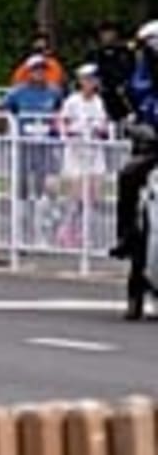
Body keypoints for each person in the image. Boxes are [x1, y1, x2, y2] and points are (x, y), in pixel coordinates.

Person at [114, 20, 158, 318]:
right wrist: (135, 127)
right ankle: (126, 235)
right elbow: (131, 102)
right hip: (153, 149)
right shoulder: (142, 81)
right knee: (129, 176)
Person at [1, 54, 65, 246]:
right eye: (36, 69)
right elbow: (3, 110)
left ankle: (41, 232)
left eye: (43, 69)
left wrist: (56, 130)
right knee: (22, 189)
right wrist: (9, 130)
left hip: (45, 145)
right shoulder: (17, 93)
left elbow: (59, 111)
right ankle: (20, 233)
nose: (40, 73)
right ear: (28, 72)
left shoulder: (54, 92)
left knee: (46, 187)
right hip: (23, 145)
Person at [56, 64, 111, 248]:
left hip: (94, 152)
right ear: (80, 82)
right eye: (86, 79)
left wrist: (100, 131)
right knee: (76, 194)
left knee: (93, 194)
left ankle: (84, 231)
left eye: (93, 80)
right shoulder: (72, 101)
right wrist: (69, 135)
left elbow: (103, 124)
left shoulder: (98, 102)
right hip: (76, 152)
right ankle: (66, 229)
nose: (90, 83)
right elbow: (62, 122)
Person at [88, 21, 134, 122]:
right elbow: (92, 71)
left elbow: (130, 70)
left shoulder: (125, 52)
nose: (107, 36)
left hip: (123, 91)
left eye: (110, 33)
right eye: (104, 34)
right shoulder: (95, 54)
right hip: (103, 92)